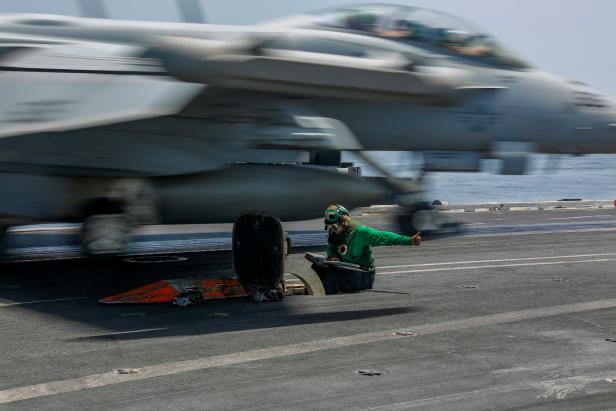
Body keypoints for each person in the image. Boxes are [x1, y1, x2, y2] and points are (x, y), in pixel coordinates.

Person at [314, 204, 422, 294]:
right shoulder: (335, 233)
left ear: (344, 221)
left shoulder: (360, 232)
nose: (333, 229)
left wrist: (409, 240)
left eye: (335, 226)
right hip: (345, 269)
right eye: (330, 226)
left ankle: (320, 293)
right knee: (317, 268)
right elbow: (331, 247)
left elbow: (385, 237)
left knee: (332, 277)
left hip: (363, 275)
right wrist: (333, 257)